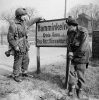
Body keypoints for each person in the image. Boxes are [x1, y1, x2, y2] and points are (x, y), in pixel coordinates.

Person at [7, 8, 43, 82]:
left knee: (26, 59)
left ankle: (24, 73)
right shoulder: (13, 25)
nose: (25, 16)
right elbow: (10, 38)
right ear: (19, 16)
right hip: (18, 45)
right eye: (24, 15)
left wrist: (39, 18)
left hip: (25, 44)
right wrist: (15, 46)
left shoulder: (24, 22)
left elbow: (32, 21)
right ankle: (16, 75)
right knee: (18, 60)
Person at [66, 17, 91, 98]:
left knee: (80, 74)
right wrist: (70, 51)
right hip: (73, 55)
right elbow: (68, 43)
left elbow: (84, 47)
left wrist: (73, 53)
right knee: (71, 72)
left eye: (68, 26)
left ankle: (80, 90)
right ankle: (72, 88)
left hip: (82, 56)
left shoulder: (83, 31)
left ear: (73, 25)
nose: (68, 28)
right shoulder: (69, 32)